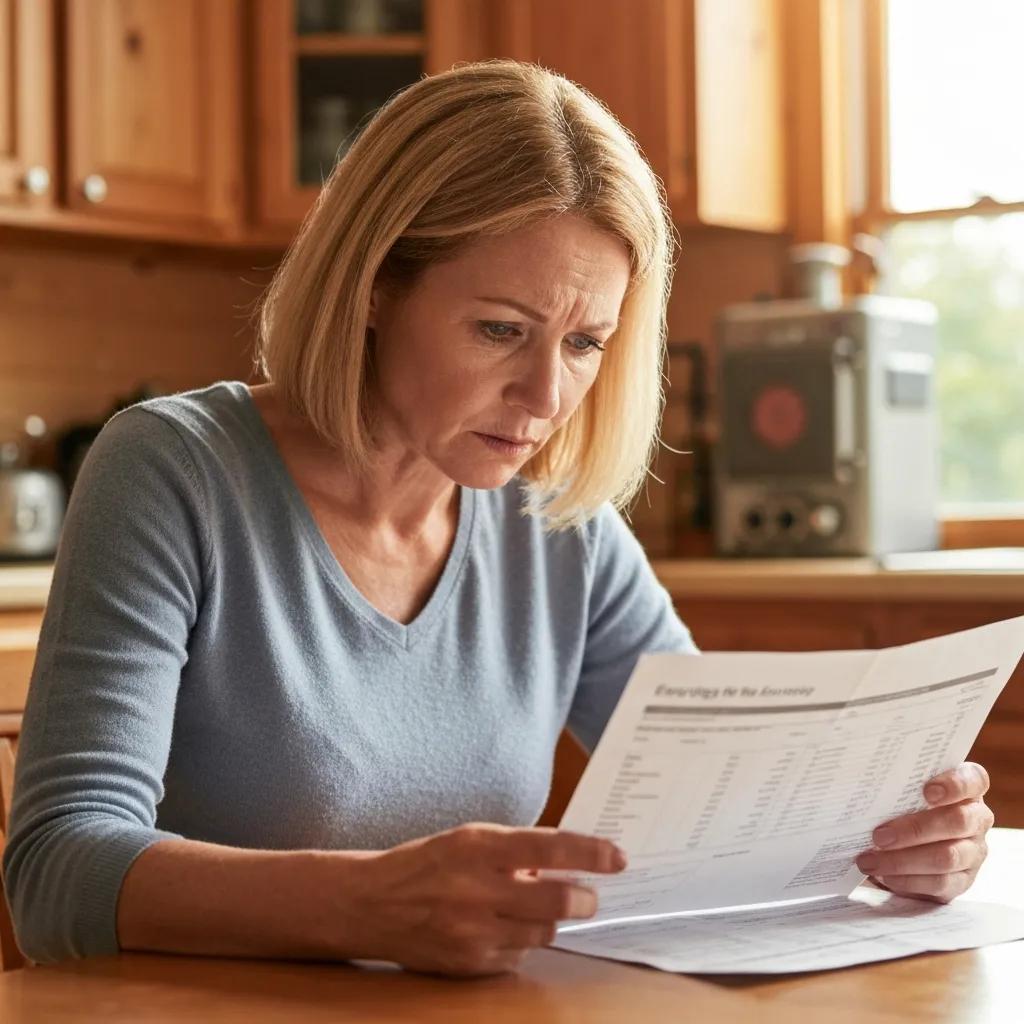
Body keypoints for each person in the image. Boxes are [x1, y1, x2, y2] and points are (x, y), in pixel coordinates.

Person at [3, 60, 994, 977]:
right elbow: (54, 870)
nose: (545, 393)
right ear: (375, 286)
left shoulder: (557, 524)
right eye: (500, 330)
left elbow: (729, 799)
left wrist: (891, 837)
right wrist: (363, 902)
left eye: (586, 342)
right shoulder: (174, 471)